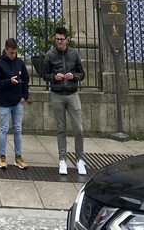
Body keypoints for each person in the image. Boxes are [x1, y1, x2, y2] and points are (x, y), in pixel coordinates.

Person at [43, 26, 86, 176]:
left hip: (73, 94)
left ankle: (80, 159)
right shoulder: (50, 55)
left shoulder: (74, 54)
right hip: (57, 94)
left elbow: (82, 73)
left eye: (62, 39)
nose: (59, 42)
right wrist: (54, 77)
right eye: (57, 39)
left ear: (67, 39)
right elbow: (44, 74)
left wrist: (73, 76)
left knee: (78, 129)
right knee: (61, 128)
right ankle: (62, 159)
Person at [0, 37, 30, 169]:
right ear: (5, 50)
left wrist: (25, 96)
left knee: (18, 129)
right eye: (10, 53)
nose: (13, 55)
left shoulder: (20, 63)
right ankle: (2, 156)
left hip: (17, 101)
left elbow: (25, 79)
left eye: (14, 53)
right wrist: (9, 81)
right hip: (4, 102)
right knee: (4, 129)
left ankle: (18, 156)